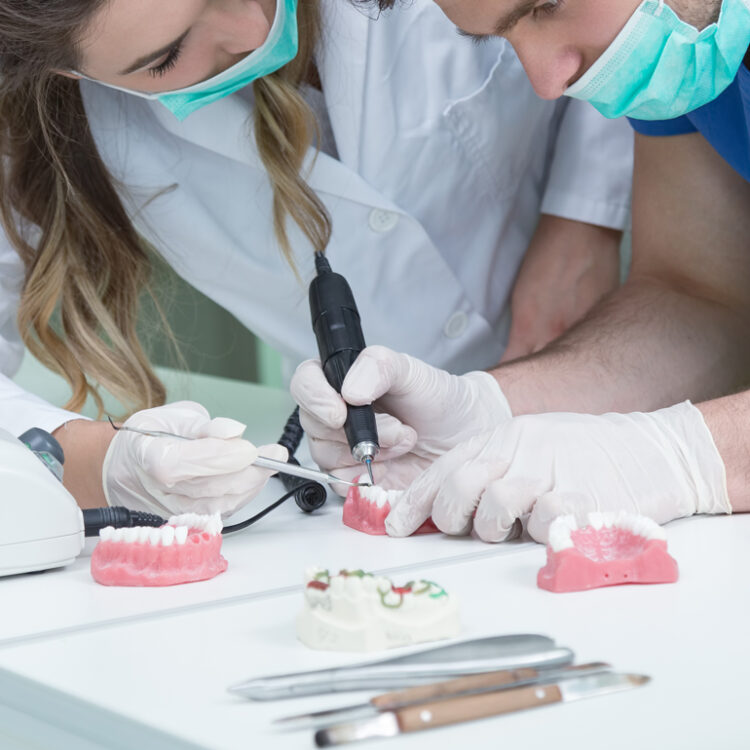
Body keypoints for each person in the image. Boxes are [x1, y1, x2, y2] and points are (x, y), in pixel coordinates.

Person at [0, 0, 633, 516]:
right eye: (165, 58)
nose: (255, 28)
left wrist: (585, 214)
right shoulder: (31, 124)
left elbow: (603, 22)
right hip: (375, 457)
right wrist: (83, 454)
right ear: (66, 73)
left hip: (631, 364)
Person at [292, 0, 750, 543]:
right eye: (500, 39)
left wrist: (685, 455)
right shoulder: (684, 50)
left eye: (546, 5)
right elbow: (698, 296)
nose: (548, 82)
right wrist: (488, 409)